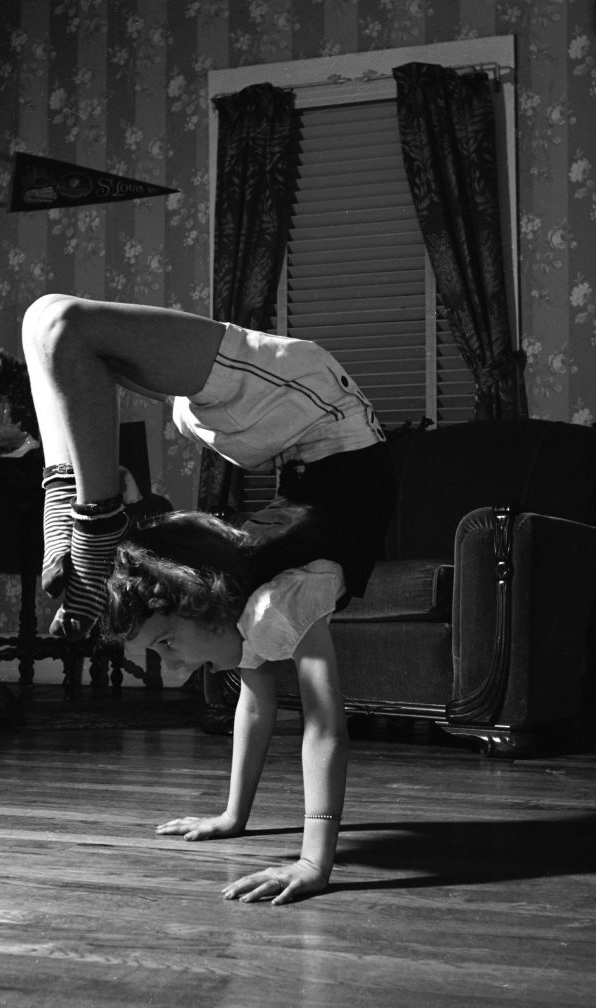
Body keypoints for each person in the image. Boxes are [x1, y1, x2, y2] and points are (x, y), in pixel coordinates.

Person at [21, 294, 396, 904]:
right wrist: (233, 817)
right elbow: (286, 712)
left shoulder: (261, 601)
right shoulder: (268, 606)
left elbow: (313, 722)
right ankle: (75, 502)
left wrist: (312, 863)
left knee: (53, 327)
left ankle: (85, 512)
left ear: (196, 599)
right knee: (50, 327)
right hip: (307, 420)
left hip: (304, 408)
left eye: (165, 643)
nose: (173, 668)